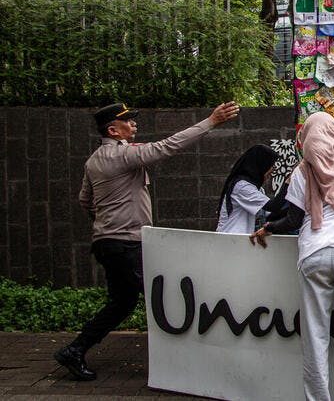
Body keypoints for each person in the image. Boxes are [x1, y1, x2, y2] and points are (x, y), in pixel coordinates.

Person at [54, 101, 239, 381]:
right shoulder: (123, 155)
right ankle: (189, 361)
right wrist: (211, 121)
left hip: (109, 242)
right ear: (113, 130)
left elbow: (85, 200)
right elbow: (168, 146)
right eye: (127, 121)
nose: (134, 124)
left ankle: (75, 350)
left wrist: (105, 222)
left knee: (123, 302)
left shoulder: (93, 160)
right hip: (125, 244)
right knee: (162, 299)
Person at [250, 61, 334, 400]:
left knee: (315, 336)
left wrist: (268, 228)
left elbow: (293, 220)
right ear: (332, 135)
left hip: (313, 255)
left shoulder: (301, 172)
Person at [216, 144, 288, 234]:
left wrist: (297, 210)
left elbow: (270, 216)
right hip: (230, 239)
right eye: (271, 166)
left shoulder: (257, 189)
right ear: (261, 165)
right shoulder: (242, 187)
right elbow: (273, 206)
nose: (272, 171)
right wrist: (288, 182)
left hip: (241, 241)